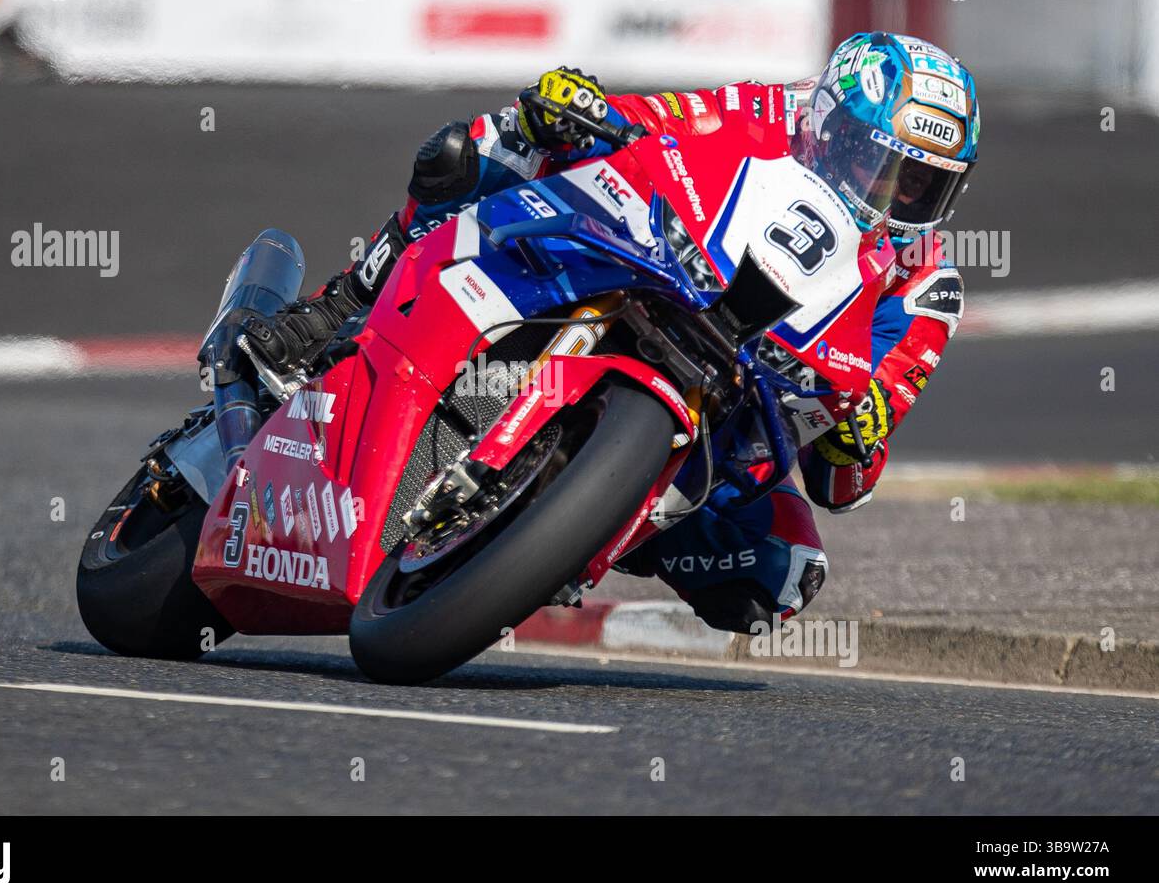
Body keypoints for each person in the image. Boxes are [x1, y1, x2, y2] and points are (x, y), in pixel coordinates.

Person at [241, 32, 980, 633]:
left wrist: (862, 436)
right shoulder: (768, 111)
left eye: (921, 184)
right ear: (831, 127)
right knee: (489, 145)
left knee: (780, 574)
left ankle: (585, 518)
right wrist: (578, 106)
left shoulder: (927, 287)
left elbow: (842, 482)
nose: (894, 195)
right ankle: (336, 309)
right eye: (880, 163)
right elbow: (647, 122)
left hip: (729, 420)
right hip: (660, 279)